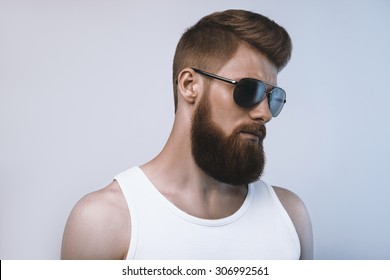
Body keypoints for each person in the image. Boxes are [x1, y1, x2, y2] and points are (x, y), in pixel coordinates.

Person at [61, 9, 313, 260]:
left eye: (273, 98)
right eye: (249, 90)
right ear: (189, 85)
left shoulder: (290, 217)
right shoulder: (106, 221)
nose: (265, 113)